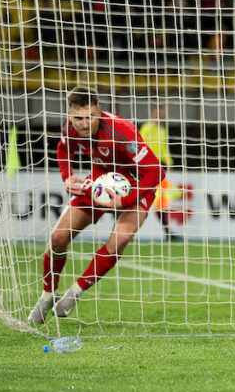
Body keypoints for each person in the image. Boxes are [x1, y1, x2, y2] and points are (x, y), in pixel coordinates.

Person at [28, 87, 164, 324]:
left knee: (120, 240)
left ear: (99, 112)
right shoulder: (71, 129)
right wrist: (67, 176)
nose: (84, 124)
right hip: (100, 185)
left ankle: (76, 291)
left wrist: (125, 200)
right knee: (58, 237)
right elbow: (63, 149)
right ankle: (48, 294)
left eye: (90, 116)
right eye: (78, 118)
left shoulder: (122, 131)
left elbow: (156, 172)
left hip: (135, 186)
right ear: (70, 115)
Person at [139, 104, 182, 242]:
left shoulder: (162, 131)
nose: (160, 115)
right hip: (145, 168)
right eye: (158, 112)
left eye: (162, 113)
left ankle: (168, 232)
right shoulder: (147, 128)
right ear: (153, 114)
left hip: (158, 170)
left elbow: (164, 149)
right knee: (142, 200)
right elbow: (140, 144)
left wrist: (169, 162)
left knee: (161, 201)